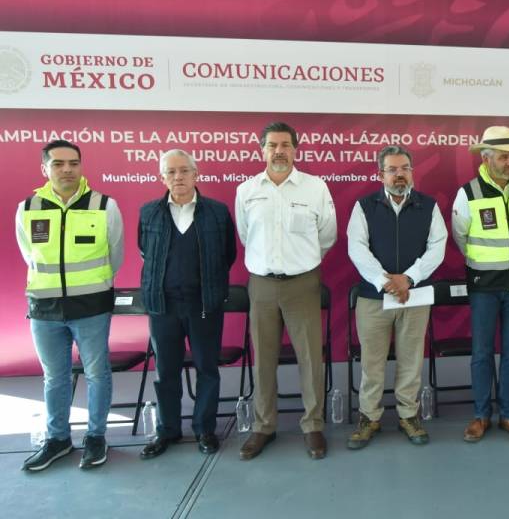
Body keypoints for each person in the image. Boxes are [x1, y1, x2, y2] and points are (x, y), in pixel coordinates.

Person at [16, 140, 124, 471]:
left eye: (73, 163)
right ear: (44, 169)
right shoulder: (29, 208)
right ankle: (58, 440)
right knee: (54, 378)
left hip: (91, 307)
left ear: (81, 166)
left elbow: (115, 255)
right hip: (45, 310)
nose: (67, 169)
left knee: (96, 373)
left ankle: (95, 438)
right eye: (59, 163)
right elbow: (29, 255)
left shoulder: (103, 205)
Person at [235, 122, 337, 460]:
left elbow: (327, 235)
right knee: (263, 360)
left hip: (302, 283)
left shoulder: (315, 188)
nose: (279, 151)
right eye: (272, 145)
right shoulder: (247, 190)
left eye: (285, 145)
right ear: (261, 150)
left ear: (296, 149)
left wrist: (303, 262)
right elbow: (246, 235)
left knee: (310, 358)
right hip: (262, 285)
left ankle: (313, 425)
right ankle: (263, 426)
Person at [345, 145, 447, 449]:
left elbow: (437, 246)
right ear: (381, 175)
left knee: (410, 360)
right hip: (374, 298)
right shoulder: (364, 206)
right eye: (392, 169)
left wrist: (409, 278)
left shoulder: (428, 206)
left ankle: (408, 415)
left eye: (404, 168)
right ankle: (369, 416)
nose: (399, 174)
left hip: (413, 297)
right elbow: (356, 248)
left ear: (412, 172)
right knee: (372, 363)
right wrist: (384, 281)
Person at [137, 150, 236, 459]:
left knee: (207, 368)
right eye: (171, 172)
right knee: (166, 371)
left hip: (203, 304)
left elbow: (227, 255)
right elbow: (145, 251)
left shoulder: (217, 212)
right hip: (163, 305)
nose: (178, 177)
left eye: (183, 171)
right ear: (162, 177)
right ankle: (167, 430)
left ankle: (204, 429)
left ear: (196, 175)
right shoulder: (149, 212)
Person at [451, 125, 509, 444]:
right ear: (486, 158)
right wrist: (485, 262)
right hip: (485, 285)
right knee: (482, 353)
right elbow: (461, 235)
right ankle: (481, 415)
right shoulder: (469, 192)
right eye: (504, 156)